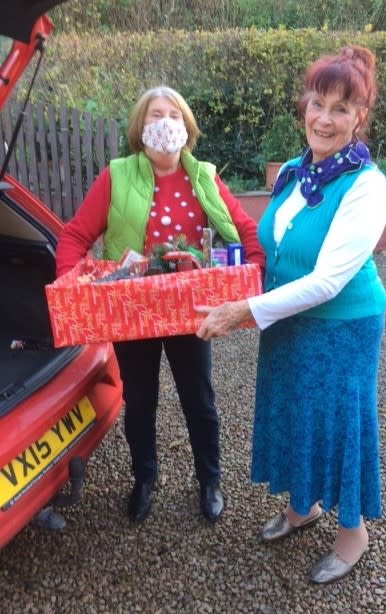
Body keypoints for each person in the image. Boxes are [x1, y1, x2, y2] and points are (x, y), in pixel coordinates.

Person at [196, 45, 386, 584]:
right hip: (288, 322)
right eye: (318, 103)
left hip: (342, 327)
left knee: (339, 425)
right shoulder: (291, 171)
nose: (325, 118)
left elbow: (328, 280)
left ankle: (353, 535)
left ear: (359, 118)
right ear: (304, 106)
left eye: (341, 109)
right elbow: (270, 246)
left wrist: (243, 310)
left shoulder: (367, 186)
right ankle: (304, 506)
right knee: (296, 415)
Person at [55, 86, 265, 524]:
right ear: (140, 126)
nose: (165, 123)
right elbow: (76, 236)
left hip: (191, 309)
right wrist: (70, 284)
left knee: (199, 399)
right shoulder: (116, 175)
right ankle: (144, 479)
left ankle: (210, 480)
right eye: (155, 114)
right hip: (133, 309)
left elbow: (244, 229)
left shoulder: (205, 175)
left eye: (174, 115)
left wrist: (255, 272)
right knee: (141, 401)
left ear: (186, 126)